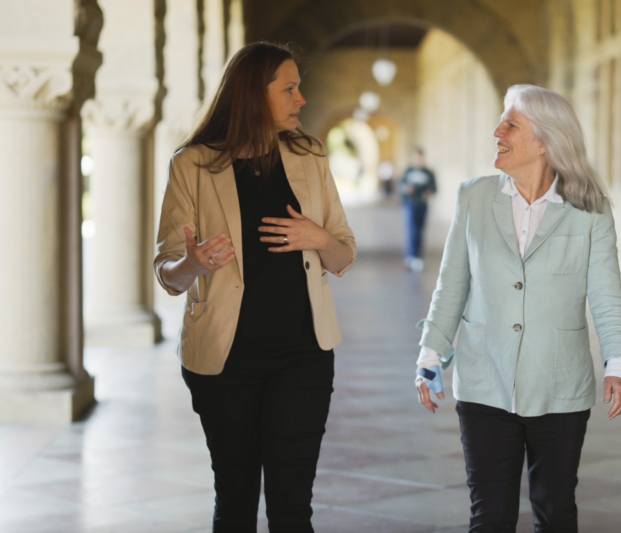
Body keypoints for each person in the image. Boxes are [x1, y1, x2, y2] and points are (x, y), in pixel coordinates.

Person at [414, 85, 621, 533]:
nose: (497, 132)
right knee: (490, 517)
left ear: (544, 142)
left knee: (556, 511)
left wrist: (619, 362)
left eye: (511, 125)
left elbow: (606, 292)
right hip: (484, 382)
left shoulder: (590, 209)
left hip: (560, 385)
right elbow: (452, 284)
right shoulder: (473, 197)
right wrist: (430, 354)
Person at [153, 42, 356, 533]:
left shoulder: (311, 157)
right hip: (224, 363)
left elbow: (343, 255)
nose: (301, 99)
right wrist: (194, 263)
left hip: (303, 358)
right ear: (251, 94)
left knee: (292, 510)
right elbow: (167, 272)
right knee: (236, 502)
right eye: (289, 88)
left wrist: (318, 237)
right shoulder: (193, 165)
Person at [400, 148, 437, 272]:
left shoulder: (428, 173)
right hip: (411, 204)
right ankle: (412, 256)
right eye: (416, 157)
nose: (418, 160)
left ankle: (417, 256)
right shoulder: (408, 172)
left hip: (423, 204)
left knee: (420, 230)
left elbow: (434, 188)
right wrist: (406, 190)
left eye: (420, 157)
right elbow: (401, 187)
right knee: (412, 230)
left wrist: (429, 194)